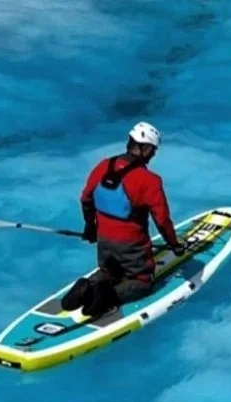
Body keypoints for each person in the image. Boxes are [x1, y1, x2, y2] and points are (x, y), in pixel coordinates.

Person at [64, 121, 184, 322]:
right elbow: (162, 220)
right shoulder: (150, 180)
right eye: (153, 150)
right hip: (132, 247)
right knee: (143, 282)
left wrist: (90, 227)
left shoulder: (103, 165)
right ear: (144, 148)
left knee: (109, 271)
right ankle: (107, 297)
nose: (153, 155)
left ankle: (87, 286)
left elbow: (86, 198)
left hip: (104, 241)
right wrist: (175, 245)